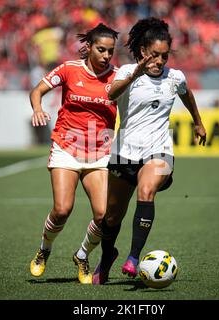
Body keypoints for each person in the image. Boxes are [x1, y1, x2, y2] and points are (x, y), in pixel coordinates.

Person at [92, 17, 206, 285]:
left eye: (165, 56)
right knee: (111, 216)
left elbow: (186, 94)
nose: (160, 61)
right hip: (125, 151)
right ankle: (108, 255)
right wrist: (136, 72)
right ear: (143, 52)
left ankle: (133, 257)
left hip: (159, 149)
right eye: (155, 55)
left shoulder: (175, 77)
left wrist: (198, 122)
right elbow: (111, 94)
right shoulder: (126, 72)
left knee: (146, 191)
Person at [29, 23, 119, 284]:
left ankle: (82, 255)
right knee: (62, 209)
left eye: (110, 51)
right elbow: (38, 90)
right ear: (89, 47)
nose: (105, 55)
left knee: (104, 216)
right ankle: (44, 250)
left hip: (100, 152)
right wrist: (37, 108)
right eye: (101, 49)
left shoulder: (117, 77)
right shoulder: (69, 69)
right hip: (66, 148)